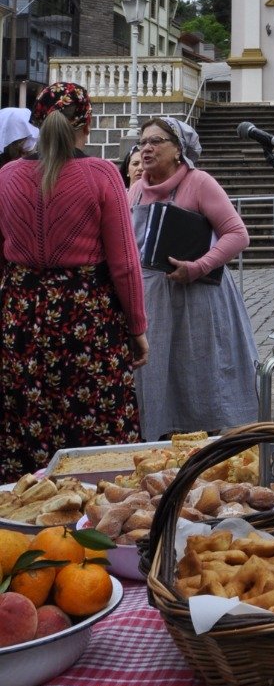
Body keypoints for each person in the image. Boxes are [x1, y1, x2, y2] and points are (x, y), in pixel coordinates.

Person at [0, 82, 147, 481]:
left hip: (22, 324)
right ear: (89, 123)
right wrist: (137, 328)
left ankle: (25, 526)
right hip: (89, 324)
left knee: (27, 432)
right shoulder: (101, 174)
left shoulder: (7, 177)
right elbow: (125, 265)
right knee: (100, 435)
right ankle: (102, 526)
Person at [130, 116, 258, 440]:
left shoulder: (199, 182)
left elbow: (237, 234)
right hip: (154, 305)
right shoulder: (133, 192)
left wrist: (199, 266)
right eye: (143, 141)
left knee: (200, 376)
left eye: (156, 141)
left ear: (178, 150)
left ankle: (207, 452)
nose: (147, 148)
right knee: (159, 379)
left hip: (197, 301)